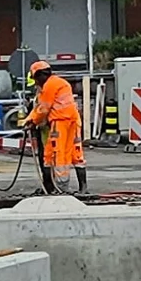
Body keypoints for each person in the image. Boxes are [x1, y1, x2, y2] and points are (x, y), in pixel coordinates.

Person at [24, 60, 86, 196]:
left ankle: (59, 189)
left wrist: (30, 121)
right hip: (73, 122)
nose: (36, 82)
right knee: (76, 154)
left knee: (54, 155)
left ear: (40, 75)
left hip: (60, 122)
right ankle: (83, 188)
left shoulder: (50, 85)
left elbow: (43, 108)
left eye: (36, 79)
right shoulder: (60, 83)